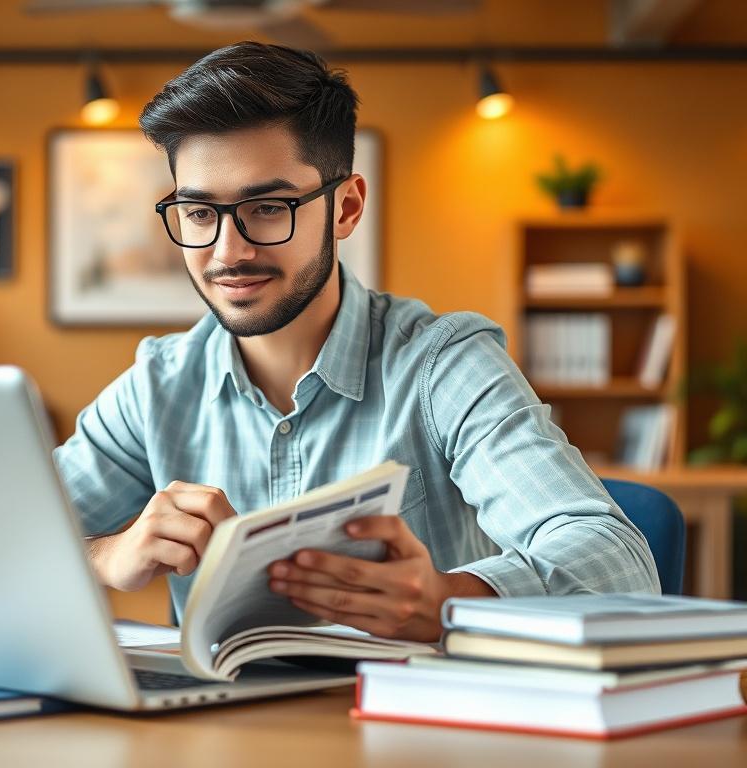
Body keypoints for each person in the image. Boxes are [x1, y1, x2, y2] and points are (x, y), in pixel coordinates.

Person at [53, 41, 660, 642]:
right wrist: (104, 555)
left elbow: (622, 564)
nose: (227, 252)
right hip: (210, 731)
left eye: (268, 207)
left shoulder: (445, 365)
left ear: (345, 208)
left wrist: (451, 600)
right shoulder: (158, 385)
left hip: (414, 728)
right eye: (199, 212)